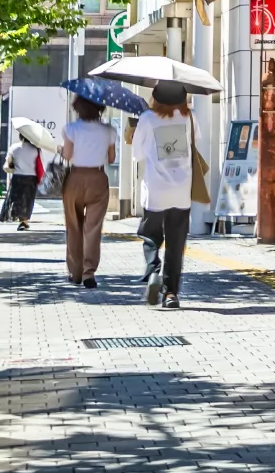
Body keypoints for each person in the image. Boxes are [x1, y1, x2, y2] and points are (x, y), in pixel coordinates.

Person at [129, 81, 194, 308]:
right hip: (182, 191)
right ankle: (170, 294)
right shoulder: (190, 118)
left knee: (150, 234)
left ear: (156, 98)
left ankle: (154, 270)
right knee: (176, 245)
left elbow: (137, 155)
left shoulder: (148, 119)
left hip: (156, 190)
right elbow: (197, 144)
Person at [60, 97, 118, 287]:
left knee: (73, 226)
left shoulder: (71, 129)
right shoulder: (109, 130)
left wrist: (62, 150)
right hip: (98, 179)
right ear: (100, 108)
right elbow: (111, 158)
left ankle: (75, 272)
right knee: (92, 228)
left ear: (77, 108)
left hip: (75, 178)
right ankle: (88, 273)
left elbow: (67, 155)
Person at [3, 126, 44, 230]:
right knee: (28, 199)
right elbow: (39, 163)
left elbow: (8, 162)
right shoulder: (36, 149)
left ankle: (21, 219)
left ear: (20, 137)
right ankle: (24, 221)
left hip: (18, 176)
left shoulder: (14, 147)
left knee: (17, 198)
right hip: (31, 177)